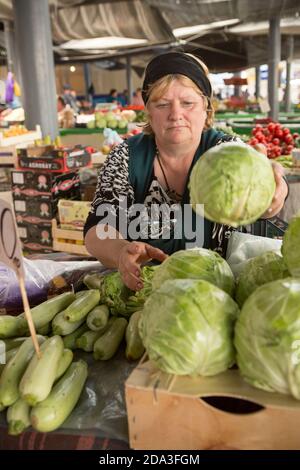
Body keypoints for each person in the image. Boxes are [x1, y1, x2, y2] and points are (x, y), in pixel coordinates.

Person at [84, 52, 288, 292]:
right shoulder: (126, 157)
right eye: (162, 104)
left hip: (219, 292)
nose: (175, 114)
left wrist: (273, 196)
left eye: (188, 103)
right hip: (145, 293)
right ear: (148, 110)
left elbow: (263, 204)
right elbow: (98, 227)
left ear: (206, 107)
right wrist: (120, 252)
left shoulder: (230, 151)